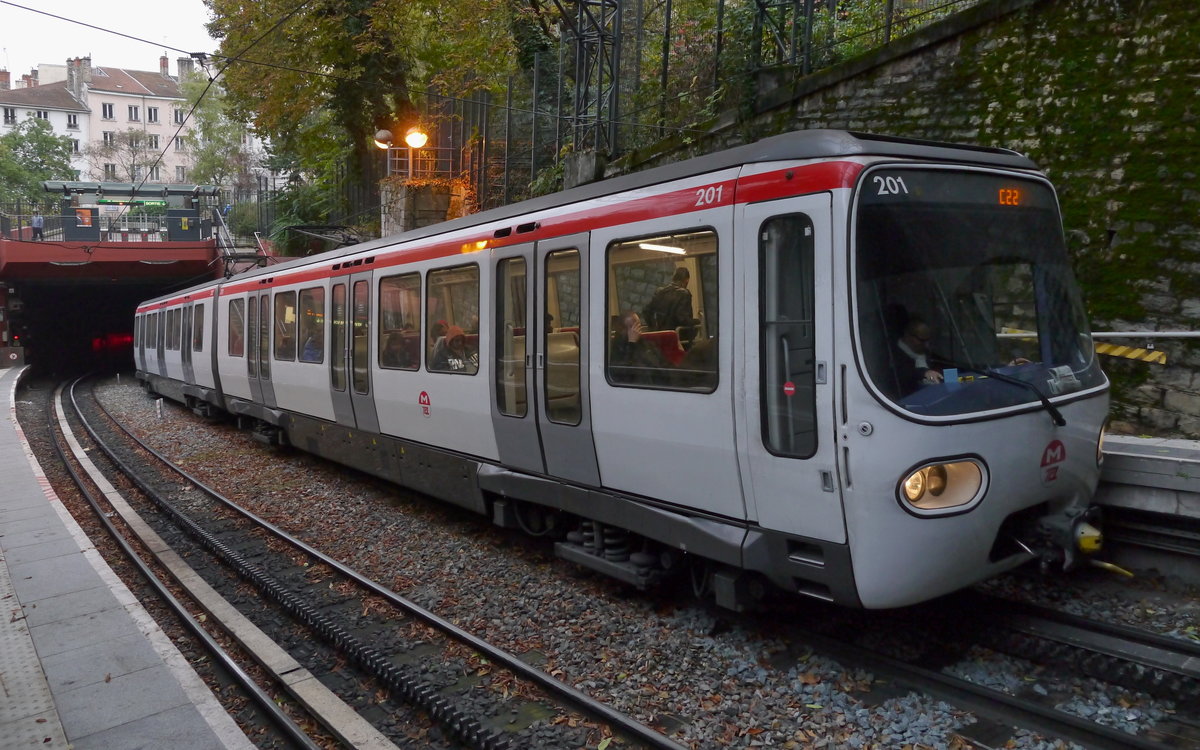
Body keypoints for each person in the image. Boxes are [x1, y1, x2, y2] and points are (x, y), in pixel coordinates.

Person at [609, 310, 669, 385]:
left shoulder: (647, 344)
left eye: (638, 326)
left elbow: (662, 363)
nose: (636, 331)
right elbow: (624, 373)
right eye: (632, 327)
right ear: (622, 330)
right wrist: (631, 344)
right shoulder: (617, 348)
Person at [643, 266, 697, 340]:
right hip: (677, 336)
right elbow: (682, 318)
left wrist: (653, 327)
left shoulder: (660, 292)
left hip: (661, 334)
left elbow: (646, 311)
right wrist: (693, 322)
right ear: (686, 280)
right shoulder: (684, 293)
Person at [891, 318, 944, 393]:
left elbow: (941, 369)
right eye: (921, 340)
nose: (926, 344)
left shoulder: (927, 353)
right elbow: (903, 374)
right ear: (908, 336)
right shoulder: (894, 355)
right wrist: (924, 373)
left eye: (927, 340)